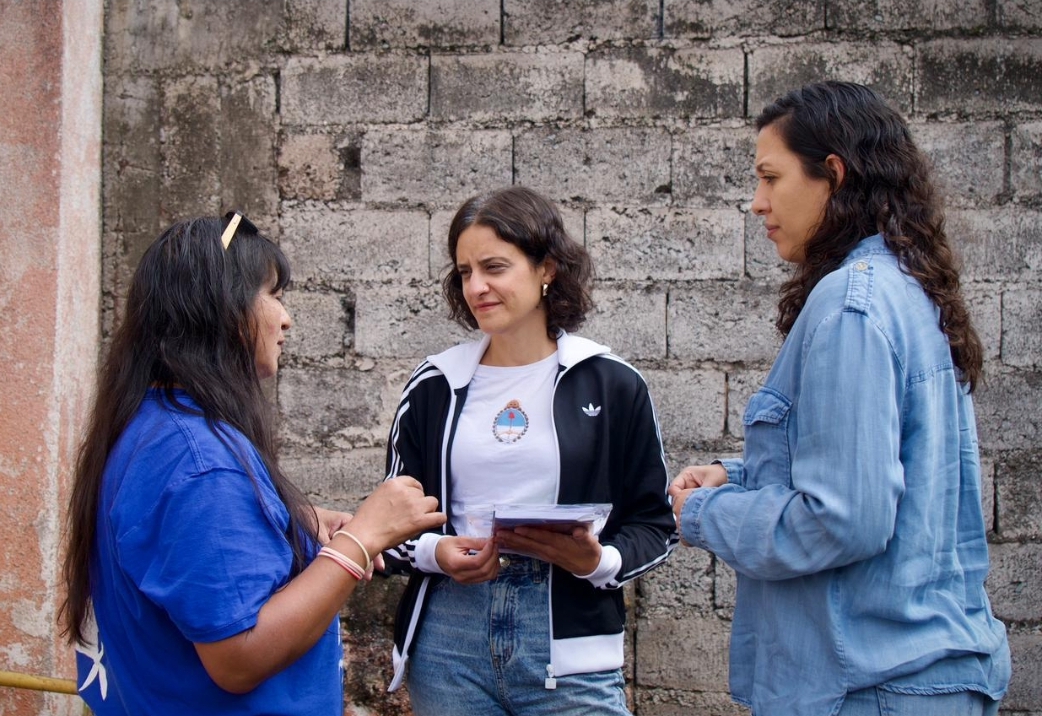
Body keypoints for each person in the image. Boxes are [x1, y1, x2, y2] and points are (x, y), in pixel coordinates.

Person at [669, 81, 1011, 716]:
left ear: (832, 173)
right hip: (923, 677)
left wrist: (703, 513)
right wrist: (739, 476)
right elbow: (878, 471)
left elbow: (840, 519)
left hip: (871, 688)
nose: (756, 203)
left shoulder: (851, 305)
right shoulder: (908, 288)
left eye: (771, 178)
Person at [60, 212, 446, 715]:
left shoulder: (157, 426)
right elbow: (239, 657)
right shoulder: (199, 463)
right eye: (271, 294)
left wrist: (293, 520)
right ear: (217, 308)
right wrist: (363, 539)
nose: (286, 318)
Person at [379, 185, 677, 715]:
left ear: (547, 268)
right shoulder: (433, 384)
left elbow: (655, 524)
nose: (477, 287)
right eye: (465, 271)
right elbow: (389, 524)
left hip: (572, 649)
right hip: (450, 641)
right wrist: (436, 553)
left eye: (495, 267)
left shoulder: (612, 383)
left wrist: (598, 561)